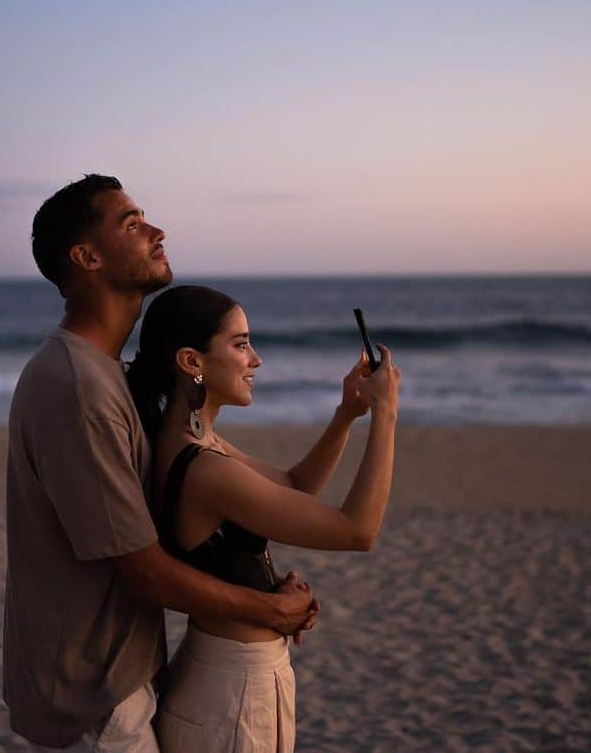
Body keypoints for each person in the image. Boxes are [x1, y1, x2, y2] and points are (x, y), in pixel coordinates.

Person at [2, 176, 318, 751]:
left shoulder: (108, 375)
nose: (156, 231)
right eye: (131, 223)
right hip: (94, 700)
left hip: (123, 675)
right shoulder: (79, 391)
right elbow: (141, 568)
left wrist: (264, 590)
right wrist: (272, 610)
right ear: (87, 257)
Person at [125, 284, 401, 753]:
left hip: (228, 679)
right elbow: (359, 531)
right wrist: (387, 413)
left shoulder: (192, 442)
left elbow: (291, 487)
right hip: (232, 691)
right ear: (191, 362)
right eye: (240, 344)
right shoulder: (205, 466)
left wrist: (347, 414)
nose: (256, 360)